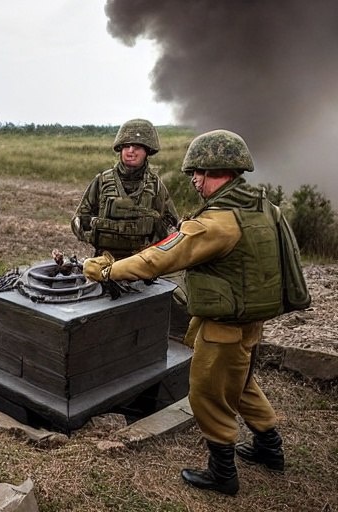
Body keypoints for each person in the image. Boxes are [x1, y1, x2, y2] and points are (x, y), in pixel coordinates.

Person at [83, 129, 286, 496]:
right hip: (250, 319)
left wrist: (110, 270)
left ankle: (222, 473)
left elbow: (157, 258)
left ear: (217, 172)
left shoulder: (216, 223)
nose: (194, 180)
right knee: (240, 383)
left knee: (206, 392)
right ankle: (269, 447)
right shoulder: (262, 207)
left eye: (198, 173)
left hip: (223, 325)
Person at [71, 118, 179, 260]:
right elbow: (79, 219)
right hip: (105, 260)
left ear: (147, 151)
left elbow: (171, 224)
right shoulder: (102, 181)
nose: (130, 151)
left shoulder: (155, 185)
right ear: (120, 149)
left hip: (142, 262)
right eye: (126, 146)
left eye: (137, 147)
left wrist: (154, 233)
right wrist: (92, 229)